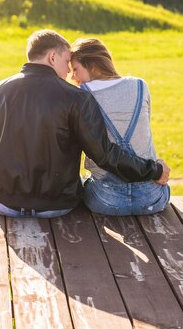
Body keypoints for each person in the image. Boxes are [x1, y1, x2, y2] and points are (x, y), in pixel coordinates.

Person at [0, 29, 170, 218]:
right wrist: (154, 170)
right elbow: (103, 154)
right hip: (57, 205)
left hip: (2, 202)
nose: (68, 72)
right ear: (52, 57)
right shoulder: (77, 98)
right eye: (67, 62)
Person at [70, 38, 170, 216]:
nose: (73, 77)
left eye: (76, 69)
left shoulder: (82, 95)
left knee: (83, 182)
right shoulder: (140, 86)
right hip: (152, 198)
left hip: (106, 200)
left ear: (92, 65)